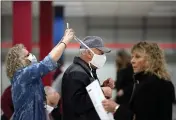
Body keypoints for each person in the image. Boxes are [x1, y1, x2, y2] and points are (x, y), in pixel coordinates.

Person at [5, 28, 74, 120]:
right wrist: (65, 42)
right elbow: (48, 61)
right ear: (18, 61)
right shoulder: (24, 75)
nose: (31, 56)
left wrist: (62, 40)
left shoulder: (23, 76)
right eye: (27, 55)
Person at [102, 41, 176, 120]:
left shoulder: (149, 85)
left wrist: (116, 108)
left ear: (150, 60)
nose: (132, 61)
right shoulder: (164, 82)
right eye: (132, 57)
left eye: (137, 57)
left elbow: (140, 117)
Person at [61, 36, 114, 120]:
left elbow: (86, 93)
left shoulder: (87, 70)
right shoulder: (76, 73)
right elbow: (76, 105)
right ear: (89, 53)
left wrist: (101, 87)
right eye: (101, 53)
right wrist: (102, 91)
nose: (103, 56)